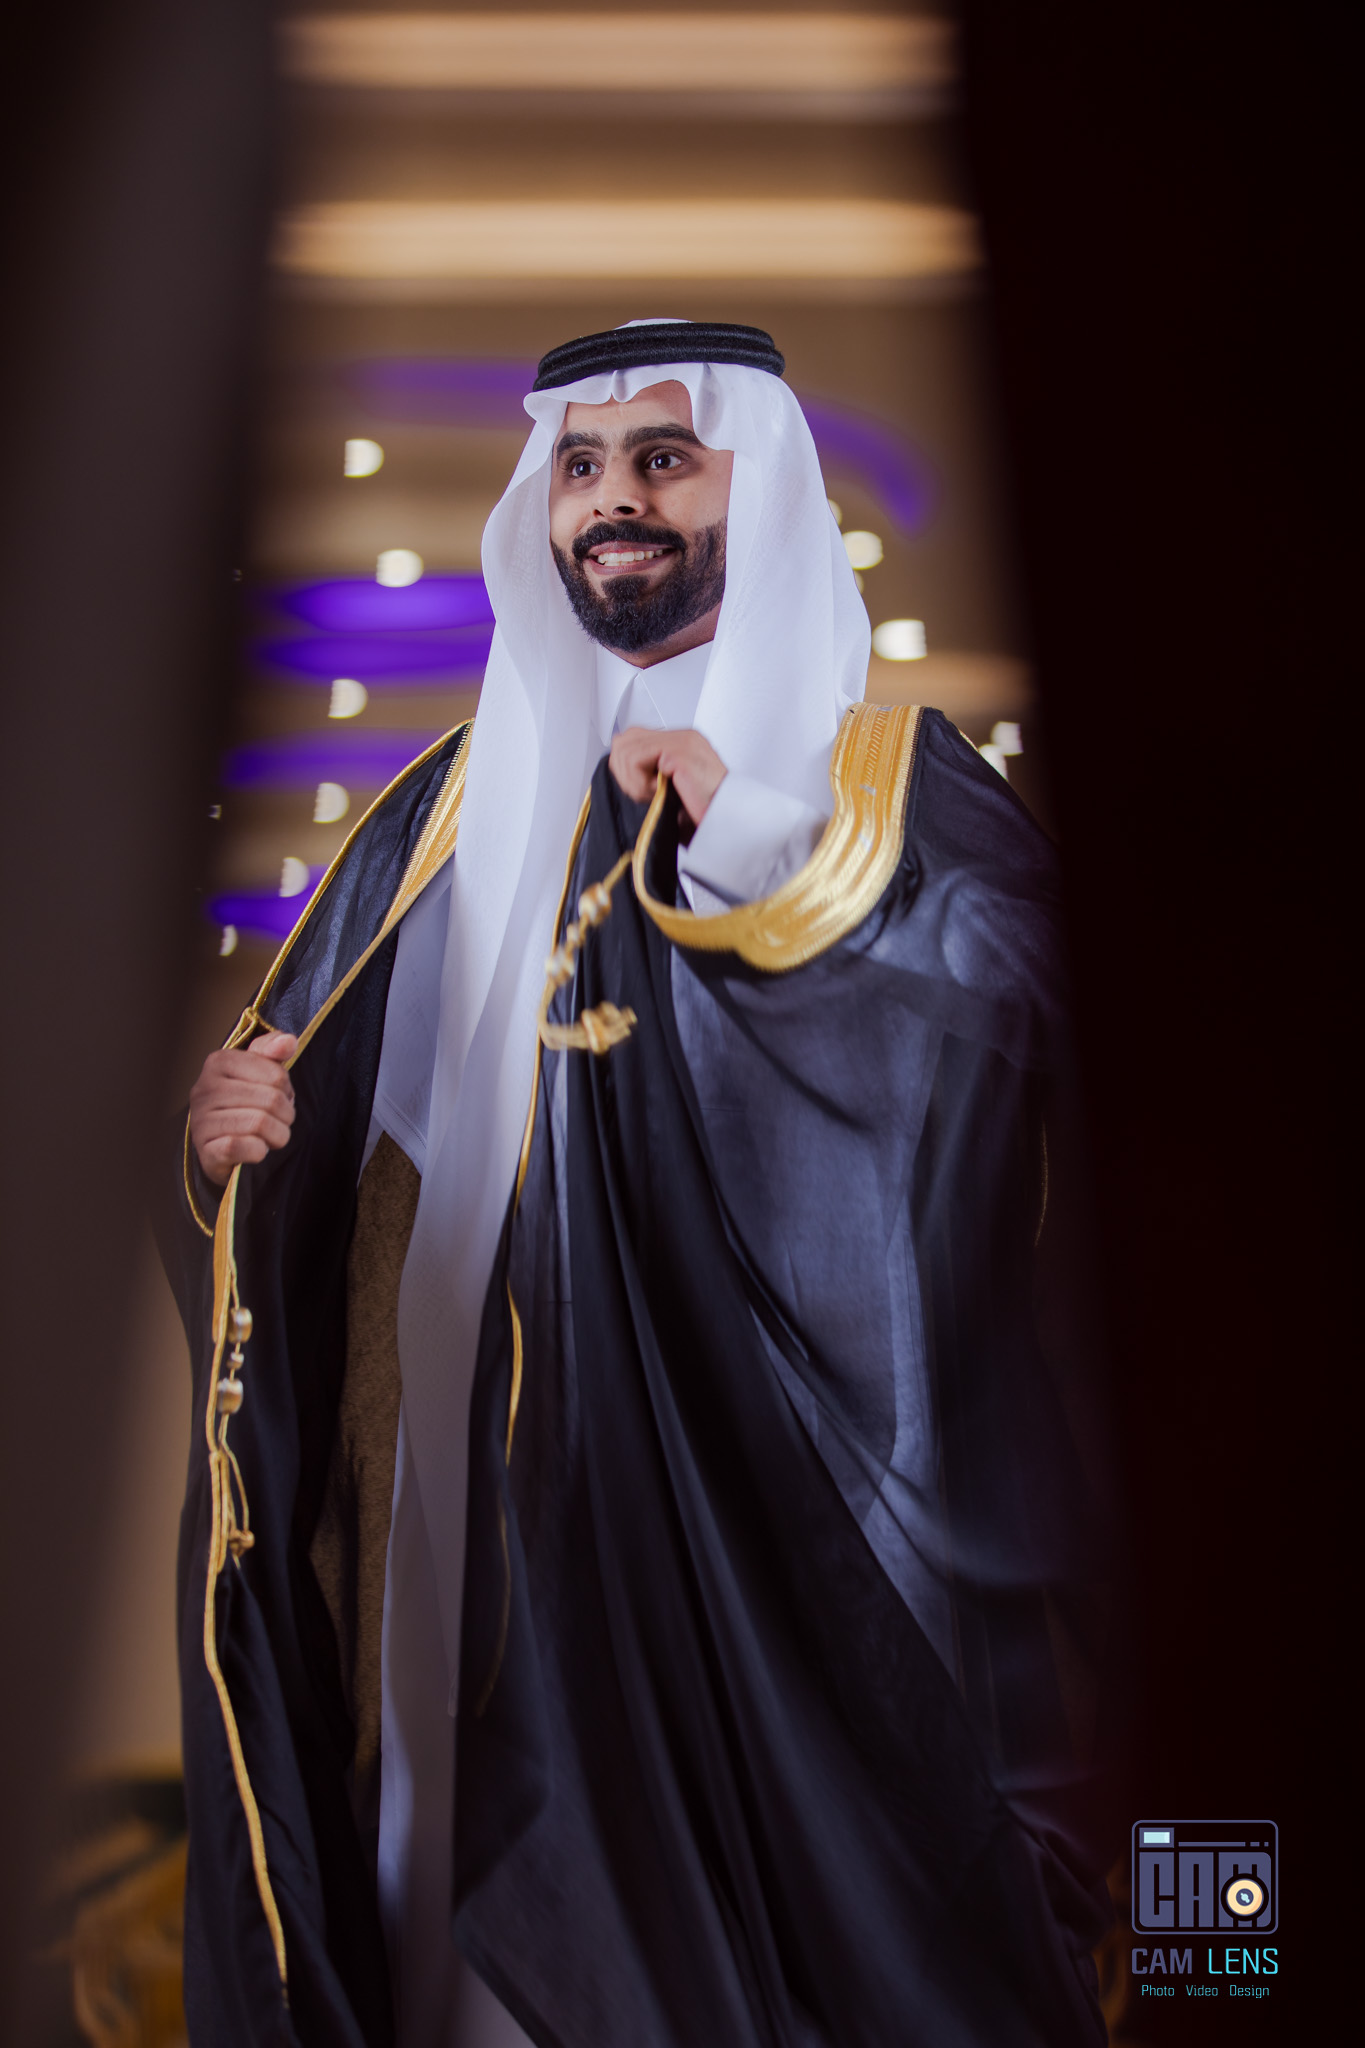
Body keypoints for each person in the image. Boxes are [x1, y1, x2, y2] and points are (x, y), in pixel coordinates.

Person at [163, 320, 1115, 2047]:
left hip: (775, 1508)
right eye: (582, 467)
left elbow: (1031, 1037)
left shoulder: (883, 780)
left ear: (762, 487)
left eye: (664, 461)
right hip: (474, 1493)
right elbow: (321, 1145)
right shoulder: (439, 815)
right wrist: (239, 1146)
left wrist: (760, 863)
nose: (616, 500)